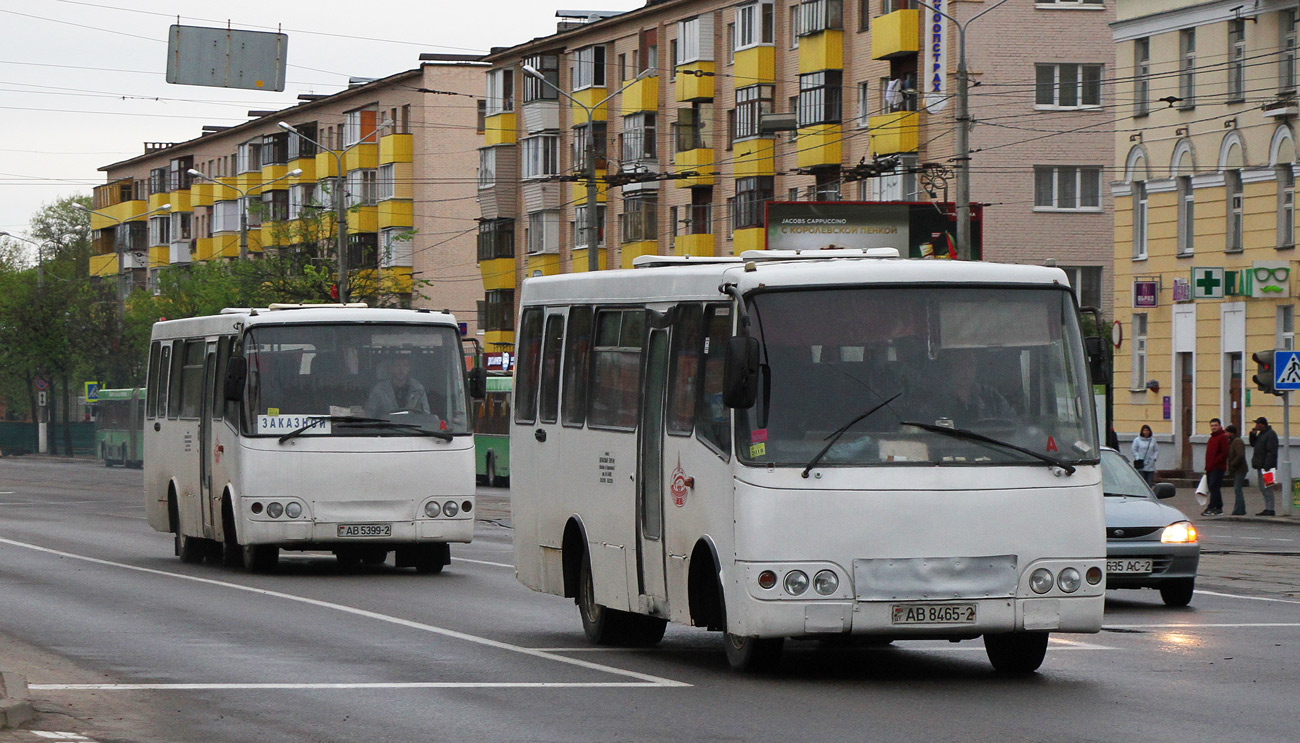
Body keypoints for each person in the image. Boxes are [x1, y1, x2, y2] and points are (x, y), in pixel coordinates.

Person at [1248, 416, 1278, 516]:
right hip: (1261, 465)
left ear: (1262, 425)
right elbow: (1254, 444)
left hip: (1268, 467)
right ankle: (1267, 507)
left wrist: (1267, 465)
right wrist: (1252, 435)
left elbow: (1271, 451)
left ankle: (1270, 508)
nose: (1256, 425)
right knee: (1262, 487)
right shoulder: (1262, 434)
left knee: (1267, 488)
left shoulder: (1270, 435)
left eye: (1257, 424)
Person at [1202, 418, 1227, 516]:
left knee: (1214, 487)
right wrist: (1207, 467)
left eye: (1216, 425)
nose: (1214, 427)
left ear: (1220, 426)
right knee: (1213, 487)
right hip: (1210, 467)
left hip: (1218, 467)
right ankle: (1219, 507)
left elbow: (1224, 453)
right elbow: (1209, 454)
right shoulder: (1212, 438)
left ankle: (1211, 507)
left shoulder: (1222, 437)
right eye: (1212, 425)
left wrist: (1215, 463)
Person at [1225, 424, 1249, 516]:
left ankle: (1239, 509)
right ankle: (1239, 509)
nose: (1226, 434)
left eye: (1227, 432)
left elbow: (1240, 455)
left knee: (1237, 489)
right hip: (1237, 469)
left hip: (1240, 469)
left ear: (1232, 433)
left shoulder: (1237, 441)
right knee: (1237, 489)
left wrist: (1232, 464)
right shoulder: (1232, 441)